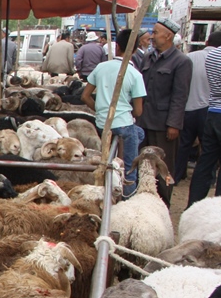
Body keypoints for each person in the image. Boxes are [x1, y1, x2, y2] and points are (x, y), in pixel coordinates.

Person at [81, 28, 146, 199]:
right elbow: (138, 110)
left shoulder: (101, 67)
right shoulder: (135, 74)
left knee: (136, 135)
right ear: (134, 50)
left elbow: (85, 96)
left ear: (117, 47)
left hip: (103, 124)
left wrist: (101, 110)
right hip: (124, 123)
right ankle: (128, 196)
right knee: (131, 166)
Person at [137, 18, 192, 205]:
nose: (152, 36)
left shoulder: (181, 61)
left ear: (168, 36)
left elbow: (180, 95)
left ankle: (163, 205)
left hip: (164, 124)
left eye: (155, 33)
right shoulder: (148, 57)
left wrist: (174, 124)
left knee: (164, 169)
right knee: (143, 165)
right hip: (144, 121)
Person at [177, 31, 221, 184]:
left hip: (190, 107)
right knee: (207, 152)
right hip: (207, 108)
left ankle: (178, 175)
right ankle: (214, 185)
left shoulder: (191, 57)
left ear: (207, 42)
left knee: (186, 146)